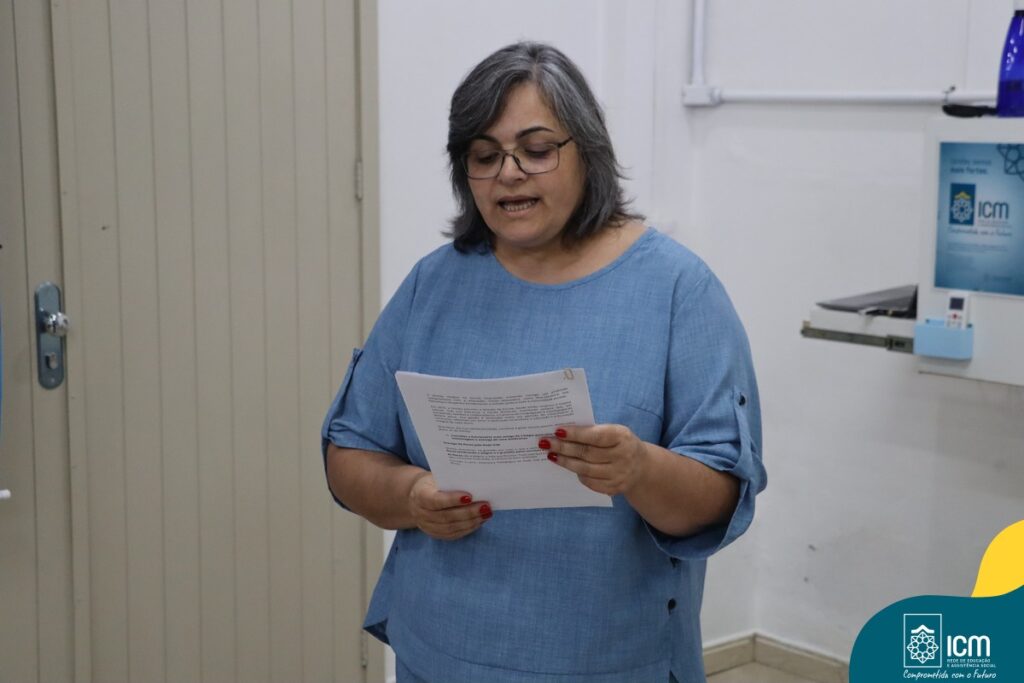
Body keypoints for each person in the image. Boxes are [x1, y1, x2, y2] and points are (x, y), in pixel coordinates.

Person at [322, 41, 767, 683]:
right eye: (485, 156)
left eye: (536, 150)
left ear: (588, 153)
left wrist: (639, 469)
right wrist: (411, 496)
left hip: (607, 659)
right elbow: (350, 453)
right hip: (441, 650)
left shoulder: (677, 290)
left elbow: (720, 499)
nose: (509, 173)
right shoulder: (433, 286)